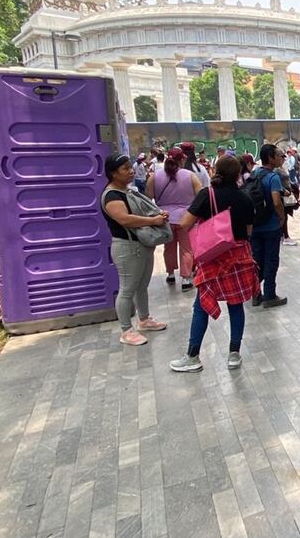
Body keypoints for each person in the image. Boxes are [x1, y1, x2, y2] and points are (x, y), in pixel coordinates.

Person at [170, 156, 259, 373]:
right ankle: (234, 354)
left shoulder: (207, 195)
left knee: (201, 306)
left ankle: (193, 356)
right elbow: (248, 233)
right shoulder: (245, 198)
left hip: (212, 258)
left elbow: (184, 223)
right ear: (238, 174)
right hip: (238, 258)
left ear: (216, 171)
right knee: (236, 304)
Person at [101, 153, 170, 346]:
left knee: (141, 286)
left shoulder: (128, 191)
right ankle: (126, 330)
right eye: (125, 169)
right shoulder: (112, 196)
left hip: (142, 244)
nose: (131, 171)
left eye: (130, 167)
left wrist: (158, 215)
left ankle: (144, 319)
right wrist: (153, 221)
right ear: (113, 173)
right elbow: (125, 219)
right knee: (127, 289)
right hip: (126, 247)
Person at [146, 147, 202, 290]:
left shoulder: (154, 176)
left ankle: (170, 274)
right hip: (186, 218)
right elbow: (201, 196)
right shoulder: (190, 176)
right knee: (186, 249)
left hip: (165, 219)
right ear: (182, 159)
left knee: (168, 248)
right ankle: (186, 279)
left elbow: (147, 199)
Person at [247, 144, 287, 308]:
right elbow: (276, 201)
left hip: (255, 225)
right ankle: (270, 295)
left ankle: (255, 294)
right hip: (270, 226)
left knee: (257, 260)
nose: (281, 158)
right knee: (271, 260)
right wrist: (281, 217)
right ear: (270, 157)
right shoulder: (273, 177)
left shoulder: (254, 173)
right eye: (278, 155)